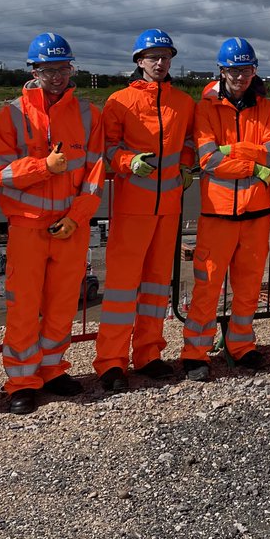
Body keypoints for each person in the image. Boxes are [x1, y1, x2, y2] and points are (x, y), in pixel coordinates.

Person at [0, 34, 105, 414]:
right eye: (49, 69)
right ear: (34, 71)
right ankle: (21, 380)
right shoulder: (11, 115)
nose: (57, 76)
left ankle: (52, 370)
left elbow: (94, 173)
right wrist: (43, 167)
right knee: (24, 306)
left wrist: (76, 218)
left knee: (61, 305)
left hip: (70, 226)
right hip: (27, 227)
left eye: (63, 68)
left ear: (72, 68)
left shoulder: (88, 114)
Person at [93, 29, 196, 393]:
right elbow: (106, 150)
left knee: (155, 287)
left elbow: (188, 143)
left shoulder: (183, 103)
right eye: (152, 56)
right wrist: (127, 160)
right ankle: (111, 362)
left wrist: (186, 165)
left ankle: (148, 354)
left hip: (168, 210)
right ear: (139, 61)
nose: (160, 62)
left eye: (165, 56)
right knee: (122, 288)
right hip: (132, 210)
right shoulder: (119, 101)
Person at [181, 37, 270, 383]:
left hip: (256, 213)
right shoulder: (206, 106)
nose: (240, 77)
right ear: (222, 71)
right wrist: (252, 165)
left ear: (254, 72)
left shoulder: (266, 108)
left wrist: (233, 150)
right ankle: (195, 352)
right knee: (207, 286)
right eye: (234, 70)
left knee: (249, 285)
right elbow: (208, 159)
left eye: (246, 70)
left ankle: (240, 345)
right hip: (218, 213)